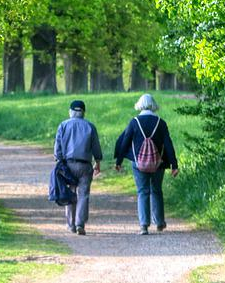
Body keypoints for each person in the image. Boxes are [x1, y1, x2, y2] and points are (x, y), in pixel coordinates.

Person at [113, 94, 179, 235]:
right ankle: (160, 223)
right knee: (156, 191)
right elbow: (168, 144)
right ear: (153, 105)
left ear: (140, 105)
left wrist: (119, 161)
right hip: (158, 163)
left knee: (143, 192)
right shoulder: (161, 123)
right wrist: (174, 165)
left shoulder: (134, 122)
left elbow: (124, 141)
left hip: (139, 164)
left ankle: (144, 225)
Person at [54, 100, 103, 235]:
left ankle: (71, 225)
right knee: (83, 195)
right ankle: (80, 224)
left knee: (70, 193)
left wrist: (59, 160)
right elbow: (96, 147)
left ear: (70, 111)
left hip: (67, 165)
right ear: (83, 112)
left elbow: (57, 147)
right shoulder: (90, 127)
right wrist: (98, 161)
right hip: (85, 166)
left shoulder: (63, 125)